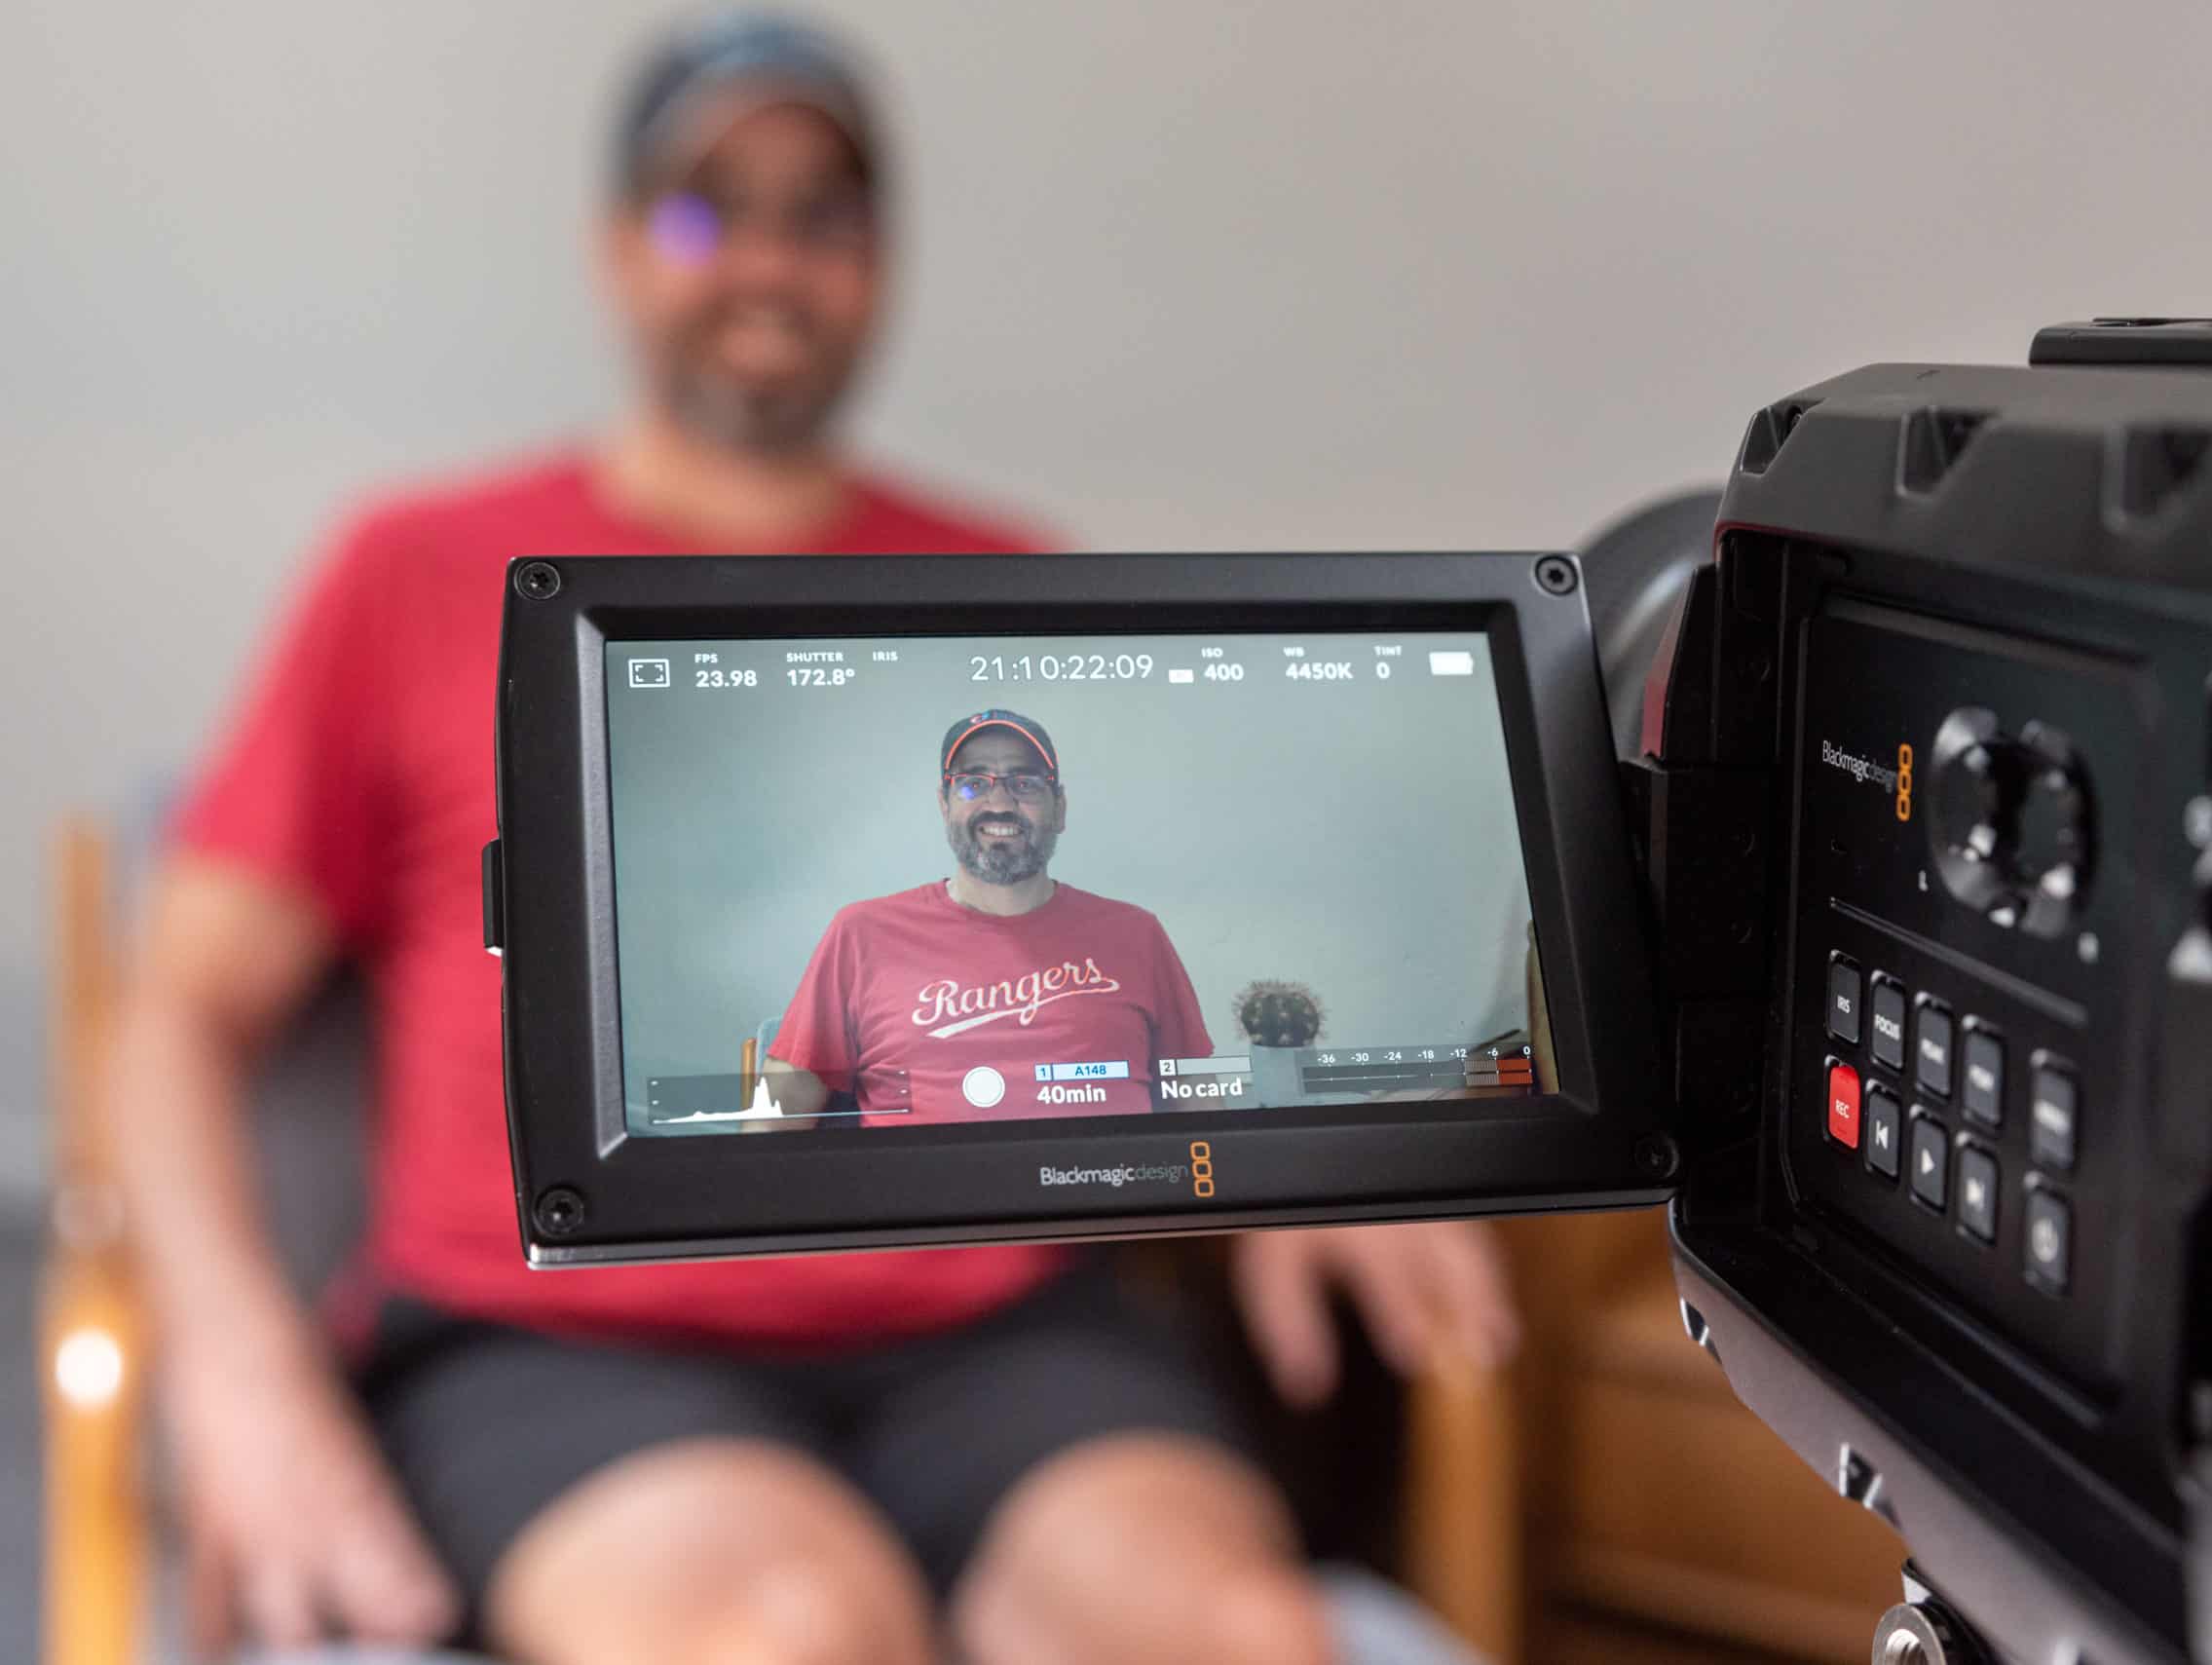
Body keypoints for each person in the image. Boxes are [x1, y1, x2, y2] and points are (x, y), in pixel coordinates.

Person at [106, 13, 1518, 1664]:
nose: (768, 257)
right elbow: (172, 1008)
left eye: (823, 213)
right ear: (619, 248)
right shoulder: (411, 572)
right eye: (709, 206)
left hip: (1000, 1331)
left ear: (879, 259)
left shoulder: (1009, 587)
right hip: (557, 1343)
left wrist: (1316, 1142)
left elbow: (1157, 954)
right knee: (790, 1627)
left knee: (1244, 1627)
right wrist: (235, 1362)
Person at [764, 708, 1214, 1125]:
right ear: (945, 805)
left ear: (1060, 808)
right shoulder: (860, 934)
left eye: (1024, 783)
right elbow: (780, 1107)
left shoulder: (1136, 934)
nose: (998, 802)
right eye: (972, 783)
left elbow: (1197, 1092)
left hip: (1105, 1197)